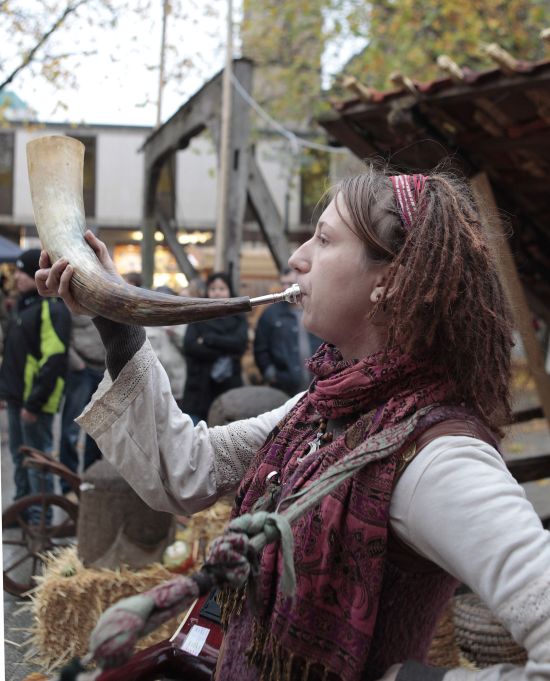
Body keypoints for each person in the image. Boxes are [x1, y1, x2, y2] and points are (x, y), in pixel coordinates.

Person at [37, 165, 550, 681]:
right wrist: (117, 326)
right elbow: (187, 470)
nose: (296, 258)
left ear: (390, 280)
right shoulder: (319, 410)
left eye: (324, 240)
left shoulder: (440, 458)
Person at [0, 249, 70, 516]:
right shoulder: (24, 305)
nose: (16, 277)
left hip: (34, 403)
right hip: (17, 398)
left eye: (22, 271)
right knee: (20, 458)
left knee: (38, 463)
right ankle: (21, 513)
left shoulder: (51, 308)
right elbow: (13, 356)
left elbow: (54, 359)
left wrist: (34, 403)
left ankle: (41, 520)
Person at [181, 272, 248, 424]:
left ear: (229, 290)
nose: (217, 292)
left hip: (229, 384)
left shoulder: (239, 316)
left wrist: (208, 339)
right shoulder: (198, 315)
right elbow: (190, 346)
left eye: (222, 288)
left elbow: (240, 344)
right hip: (199, 387)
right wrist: (225, 349)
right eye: (213, 288)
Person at [254, 266, 322, 395]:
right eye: (283, 283)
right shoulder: (270, 314)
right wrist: (271, 374)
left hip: (318, 385)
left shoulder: (316, 311)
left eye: (290, 284)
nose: (286, 288)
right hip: (284, 387)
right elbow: (260, 348)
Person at [59, 312, 106, 490]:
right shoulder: (70, 303)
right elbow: (62, 335)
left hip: (103, 369)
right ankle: (68, 485)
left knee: (97, 429)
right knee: (70, 431)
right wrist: (76, 363)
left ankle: (91, 481)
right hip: (81, 370)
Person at [145, 285, 187, 407]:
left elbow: (188, 347)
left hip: (175, 380)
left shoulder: (182, 321)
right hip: (153, 381)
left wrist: (175, 333)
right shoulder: (145, 323)